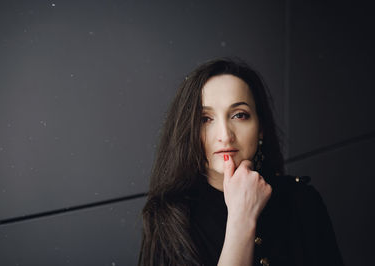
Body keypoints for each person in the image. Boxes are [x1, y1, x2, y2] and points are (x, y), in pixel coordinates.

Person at [138, 57, 344, 266]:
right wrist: (241, 218)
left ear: (260, 128)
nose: (225, 136)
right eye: (205, 119)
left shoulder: (302, 201)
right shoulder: (168, 219)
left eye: (239, 115)